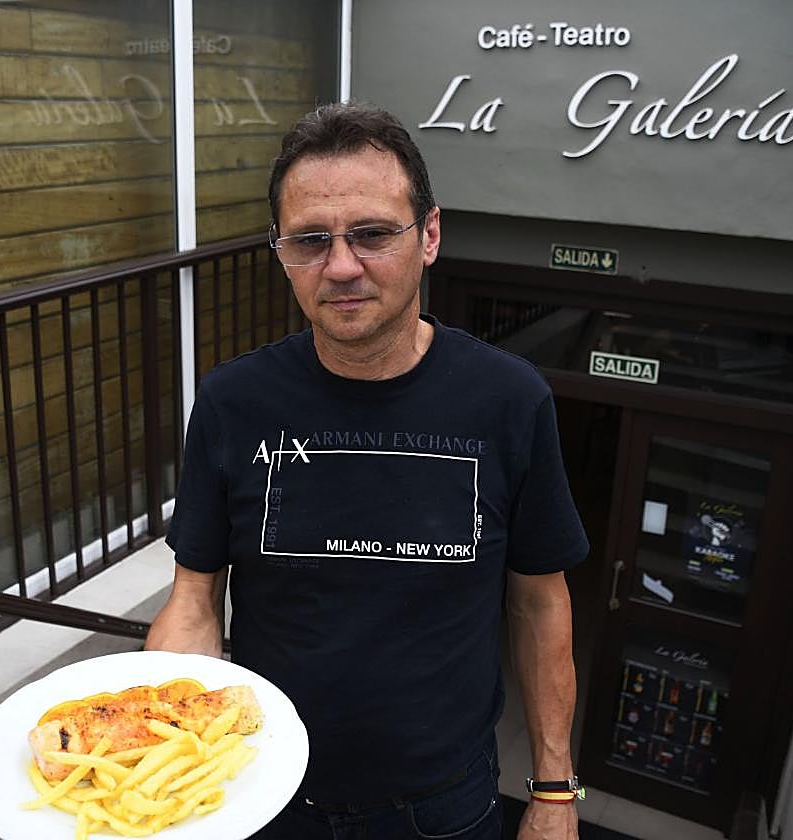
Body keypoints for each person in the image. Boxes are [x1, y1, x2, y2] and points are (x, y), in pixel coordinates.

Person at [145, 102, 588, 840]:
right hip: (261, 792)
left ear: (431, 235)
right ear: (280, 250)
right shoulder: (234, 401)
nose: (341, 266)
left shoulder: (509, 401)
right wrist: (158, 748)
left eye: (373, 235)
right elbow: (194, 599)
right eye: (310, 241)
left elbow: (540, 603)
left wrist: (552, 791)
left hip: (441, 809)